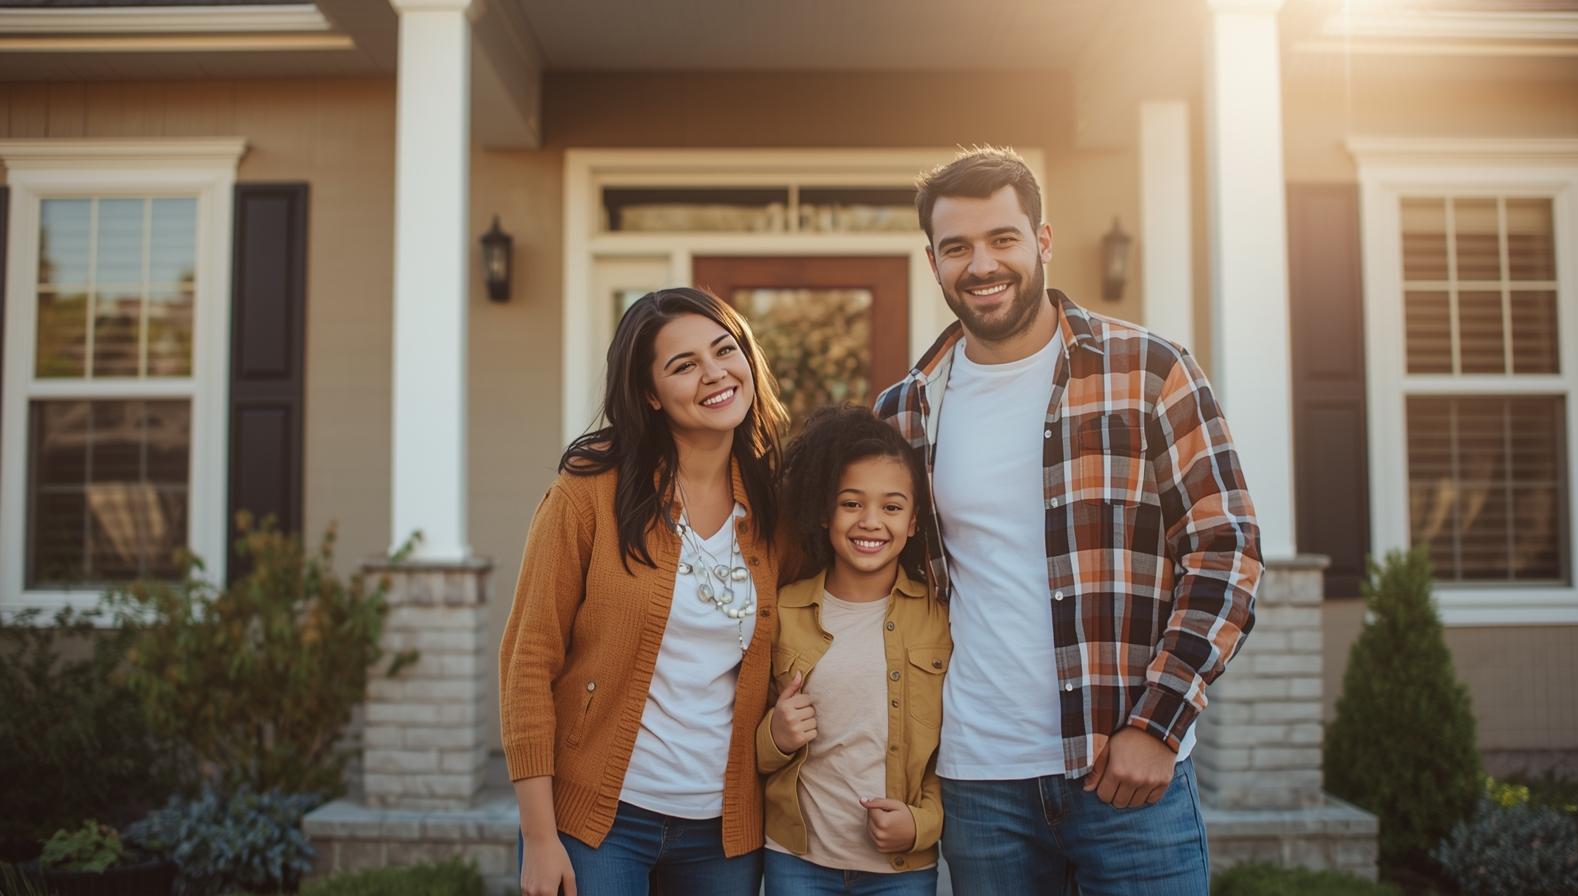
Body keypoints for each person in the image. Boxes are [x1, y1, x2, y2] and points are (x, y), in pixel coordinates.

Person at [874, 147, 1262, 895]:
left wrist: (1158, 724)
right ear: (933, 262)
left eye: (1002, 239)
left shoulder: (1149, 370)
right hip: (978, 778)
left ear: (1042, 242)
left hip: (1124, 770)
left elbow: (1227, 549)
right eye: (958, 248)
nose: (981, 264)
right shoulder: (905, 408)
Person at [499, 287, 792, 896]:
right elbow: (528, 662)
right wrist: (539, 835)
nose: (714, 374)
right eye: (683, 366)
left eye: (723, 350)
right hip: (601, 825)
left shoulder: (774, 506)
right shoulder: (587, 495)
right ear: (651, 395)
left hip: (723, 832)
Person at [758, 406, 950, 896]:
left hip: (901, 870)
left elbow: (955, 751)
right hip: (797, 862)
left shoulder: (939, 617)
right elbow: (741, 738)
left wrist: (922, 824)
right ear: (824, 513)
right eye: (851, 503)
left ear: (912, 523)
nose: (870, 522)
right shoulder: (783, 610)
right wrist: (775, 736)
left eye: (891, 507)